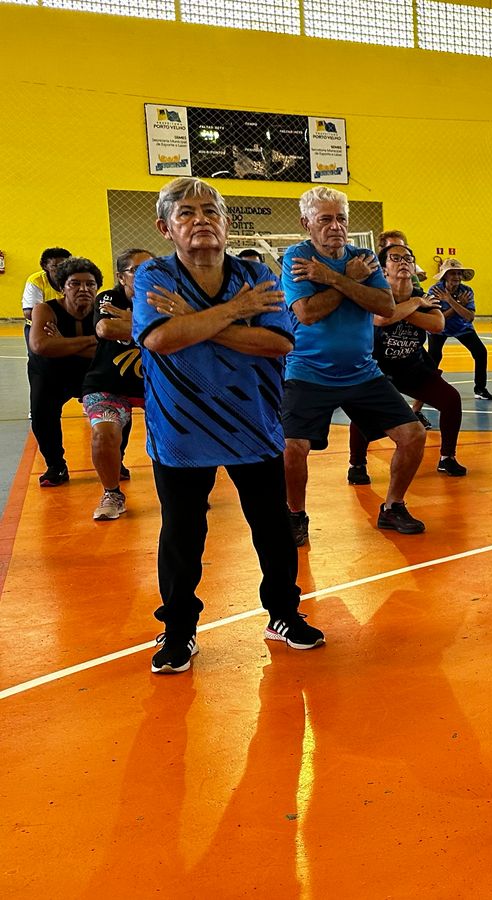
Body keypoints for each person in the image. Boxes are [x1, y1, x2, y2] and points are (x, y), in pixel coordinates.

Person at [134, 177, 319, 673]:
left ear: (226, 222)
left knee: (273, 528)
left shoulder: (256, 273)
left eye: (210, 211)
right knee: (182, 535)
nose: (200, 221)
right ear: (165, 227)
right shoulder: (154, 275)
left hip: (252, 425)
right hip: (180, 430)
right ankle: (178, 631)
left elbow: (278, 345)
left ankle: (283, 614)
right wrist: (237, 314)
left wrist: (197, 320)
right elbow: (160, 340)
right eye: (187, 213)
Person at [280, 186, 428, 544]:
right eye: (325, 219)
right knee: (291, 448)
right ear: (306, 223)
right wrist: (351, 281)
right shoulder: (297, 257)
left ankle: (393, 506)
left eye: (341, 218)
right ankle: (295, 514)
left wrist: (332, 277)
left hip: (362, 371)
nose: (335, 227)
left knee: (413, 435)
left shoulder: (364, 259)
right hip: (307, 371)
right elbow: (308, 313)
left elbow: (385, 306)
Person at [348, 244, 466, 482]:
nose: (403, 262)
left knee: (451, 400)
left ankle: (447, 458)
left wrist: (404, 309)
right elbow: (381, 318)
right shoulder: (376, 294)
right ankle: (357, 464)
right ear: (383, 269)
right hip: (377, 368)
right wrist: (413, 306)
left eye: (408, 258)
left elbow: (437, 325)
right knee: (362, 411)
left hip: (412, 366)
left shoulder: (423, 297)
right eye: (395, 258)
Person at [81, 248, 154, 519]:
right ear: (121, 277)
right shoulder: (109, 298)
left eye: (152, 268)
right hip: (108, 384)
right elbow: (106, 329)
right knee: (105, 432)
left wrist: (133, 323)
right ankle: (112, 493)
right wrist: (159, 328)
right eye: (137, 270)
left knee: (179, 433)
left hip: (154, 386)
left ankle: (183, 489)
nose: (147, 275)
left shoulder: (166, 299)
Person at [28, 257, 99, 487]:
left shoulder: (102, 310)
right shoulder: (45, 309)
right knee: (42, 414)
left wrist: (64, 344)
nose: (83, 289)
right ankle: (56, 466)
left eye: (90, 284)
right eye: (75, 284)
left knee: (118, 408)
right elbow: (40, 345)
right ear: (62, 287)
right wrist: (92, 340)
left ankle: (115, 461)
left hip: (88, 373)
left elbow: (108, 352)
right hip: (49, 373)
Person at [427, 258, 492, 401]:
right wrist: (456, 305)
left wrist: (450, 301)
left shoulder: (467, 291)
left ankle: (480, 388)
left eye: (458, 273)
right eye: (452, 274)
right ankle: (428, 388)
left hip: (462, 327)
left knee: (480, 352)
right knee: (434, 357)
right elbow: (438, 319)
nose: (456, 277)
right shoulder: (435, 291)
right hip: (439, 328)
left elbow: (469, 317)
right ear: (445, 276)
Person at [21, 247, 71, 325]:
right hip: (40, 325)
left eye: (65, 266)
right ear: (45, 266)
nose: (61, 270)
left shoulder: (76, 280)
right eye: (55, 266)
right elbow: (29, 313)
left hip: (67, 324)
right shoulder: (36, 281)